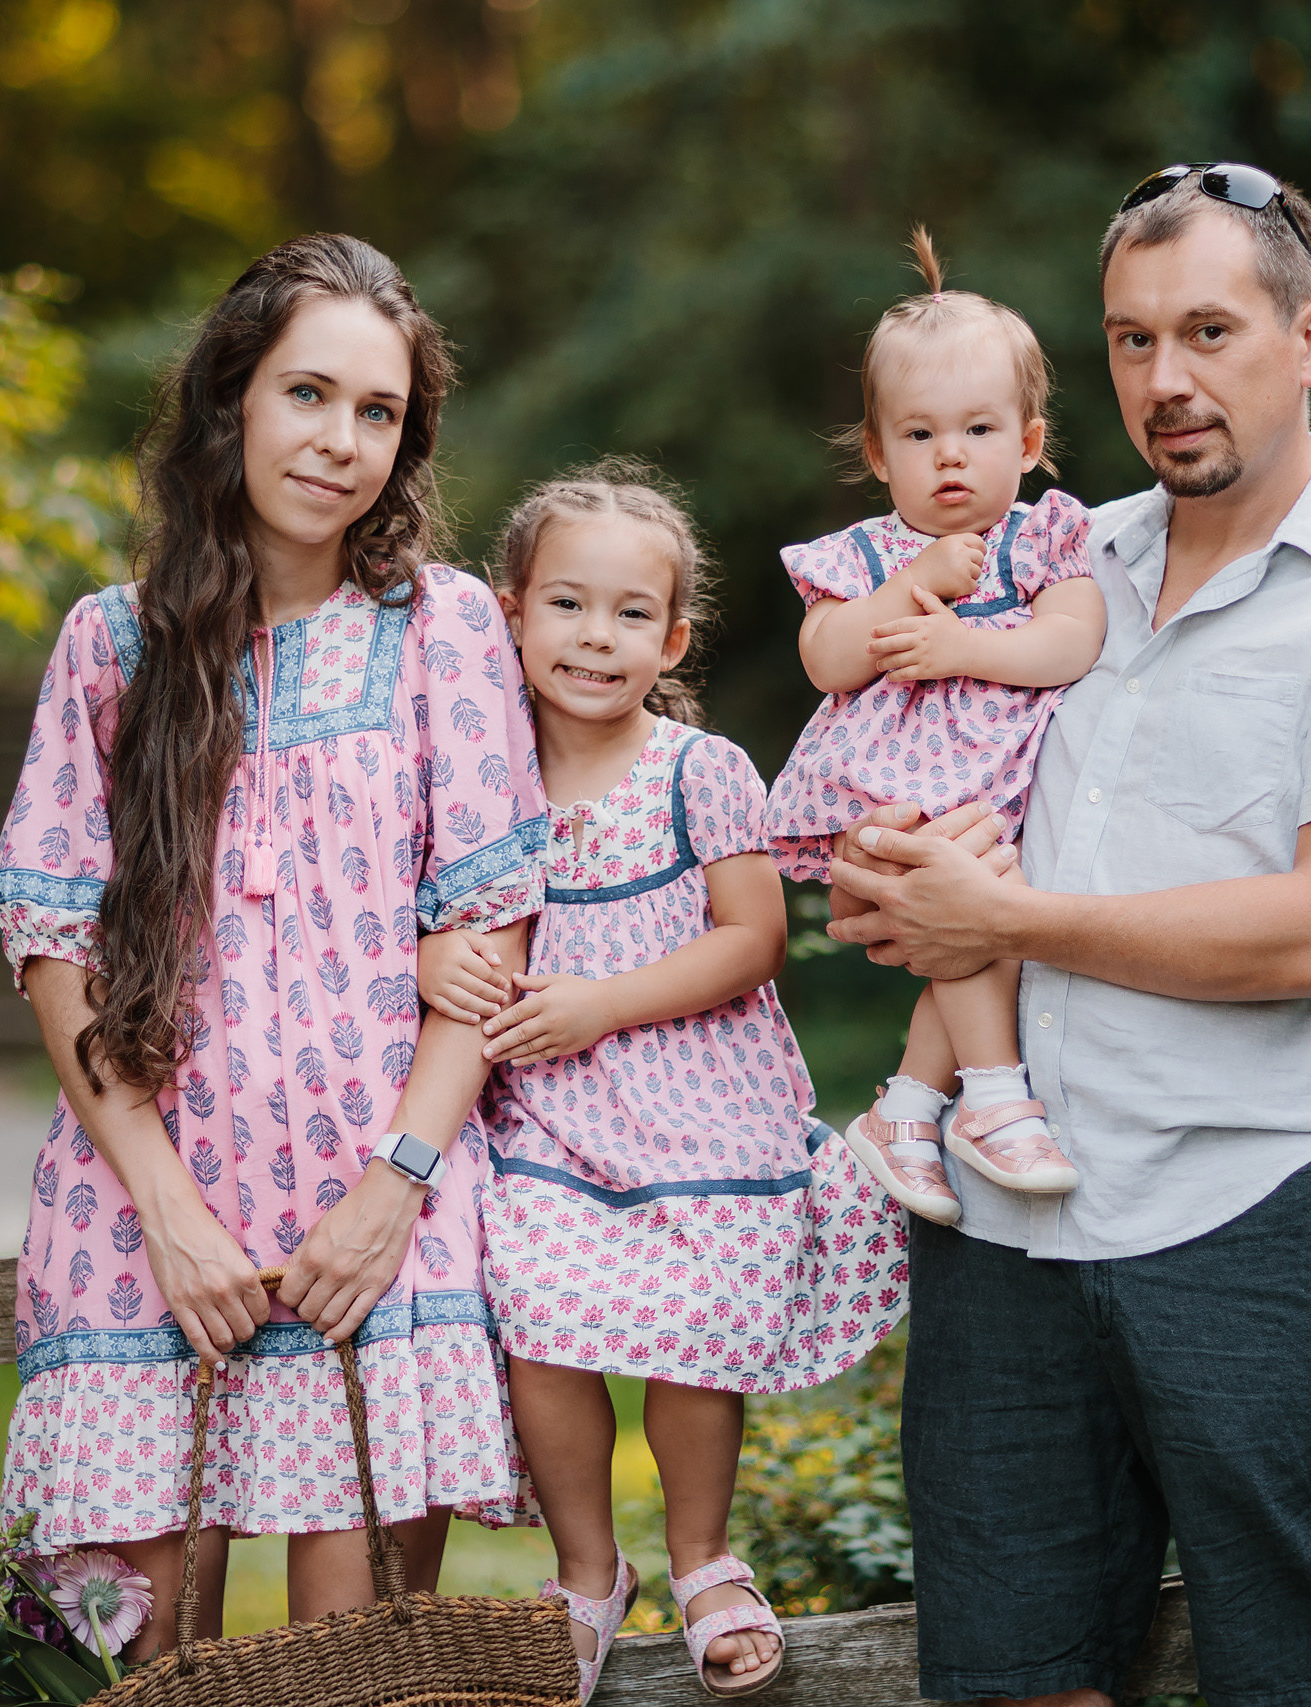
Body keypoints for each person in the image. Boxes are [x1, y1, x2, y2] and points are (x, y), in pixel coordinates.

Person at [829, 165, 1311, 1707]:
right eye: (1132, 341)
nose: (1166, 379)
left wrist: (1002, 915)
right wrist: (894, 884)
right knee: (1015, 1678)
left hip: (1248, 1205)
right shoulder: (1057, 557)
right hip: (1005, 1221)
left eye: (1207, 329)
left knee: (1304, 1680)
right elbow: (927, 790)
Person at [0, 233, 549, 1656]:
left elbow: (489, 937)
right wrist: (168, 1211)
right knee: (142, 1665)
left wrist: (394, 1187)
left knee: (343, 1673)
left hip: (377, 1230)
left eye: (380, 412)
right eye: (310, 394)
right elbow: (56, 945)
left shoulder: (448, 630)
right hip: (143, 1232)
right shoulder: (111, 646)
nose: (343, 441)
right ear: (232, 397)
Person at [419, 461, 909, 1702]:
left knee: (694, 1326)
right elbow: (429, 913)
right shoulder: (481, 780)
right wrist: (442, 955)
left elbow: (749, 941)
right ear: (509, 611)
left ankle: (703, 1557)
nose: (597, 638)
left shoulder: (700, 769)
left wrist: (599, 1005)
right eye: (568, 606)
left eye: (632, 614)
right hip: (549, 1114)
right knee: (537, 1310)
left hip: (692, 1093)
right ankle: (587, 1573)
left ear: (673, 636)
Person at [768, 228, 1109, 1228]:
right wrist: (909, 589)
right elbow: (827, 659)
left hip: (993, 791)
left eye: (978, 431)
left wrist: (963, 648)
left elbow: (1070, 644)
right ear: (879, 454)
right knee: (975, 919)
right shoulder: (867, 555)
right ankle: (995, 1098)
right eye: (919, 436)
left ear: (1030, 441)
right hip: (889, 792)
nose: (949, 456)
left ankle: (908, 1111)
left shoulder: (1048, 535)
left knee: (984, 924)